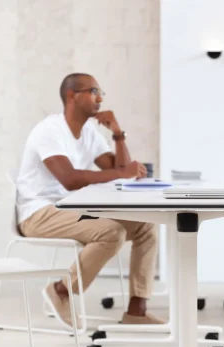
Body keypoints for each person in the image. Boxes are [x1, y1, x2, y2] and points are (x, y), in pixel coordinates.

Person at [16, 73, 165, 327]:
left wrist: (118, 133)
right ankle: (62, 291)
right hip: (38, 213)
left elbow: (121, 168)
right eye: (93, 91)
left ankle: (136, 311)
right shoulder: (49, 130)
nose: (100, 97)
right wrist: (121, 172)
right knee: (112, 232)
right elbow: (69, 179)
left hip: (71, 210)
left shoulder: (88, 133)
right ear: (72, 96)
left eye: (100, 92)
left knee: (145, 225)